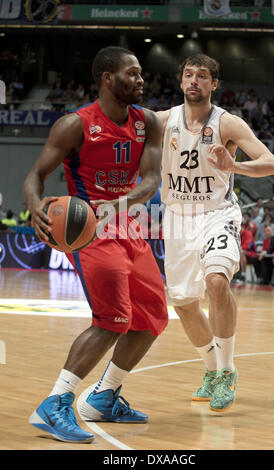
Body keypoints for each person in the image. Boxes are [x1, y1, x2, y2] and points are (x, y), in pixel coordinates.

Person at [23, 46, 168, 444]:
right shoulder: (76, 124)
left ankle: (103, 397)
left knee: (153, 316)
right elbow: (35, 175)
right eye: (133, 73)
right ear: (107, 77)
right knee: (113, 319)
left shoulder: (148, 122)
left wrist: (121, 203)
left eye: (141, 74)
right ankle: (55, 404)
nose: (142, 80)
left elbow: (151, 180)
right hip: (89, 231)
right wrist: (36, 207)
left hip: (129, 225)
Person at [157, 53, 274, 413]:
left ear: (214, 84)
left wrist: (234, 165)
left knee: (216, 282)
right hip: (177, 218)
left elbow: (271, 164)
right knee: (183, 303)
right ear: (181, 82)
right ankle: (211, 371)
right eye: (188, 74)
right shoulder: (163, 121)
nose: (194, 80)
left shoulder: (227, 124)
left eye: (203, 75)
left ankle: (226, 371)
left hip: (216, 214)